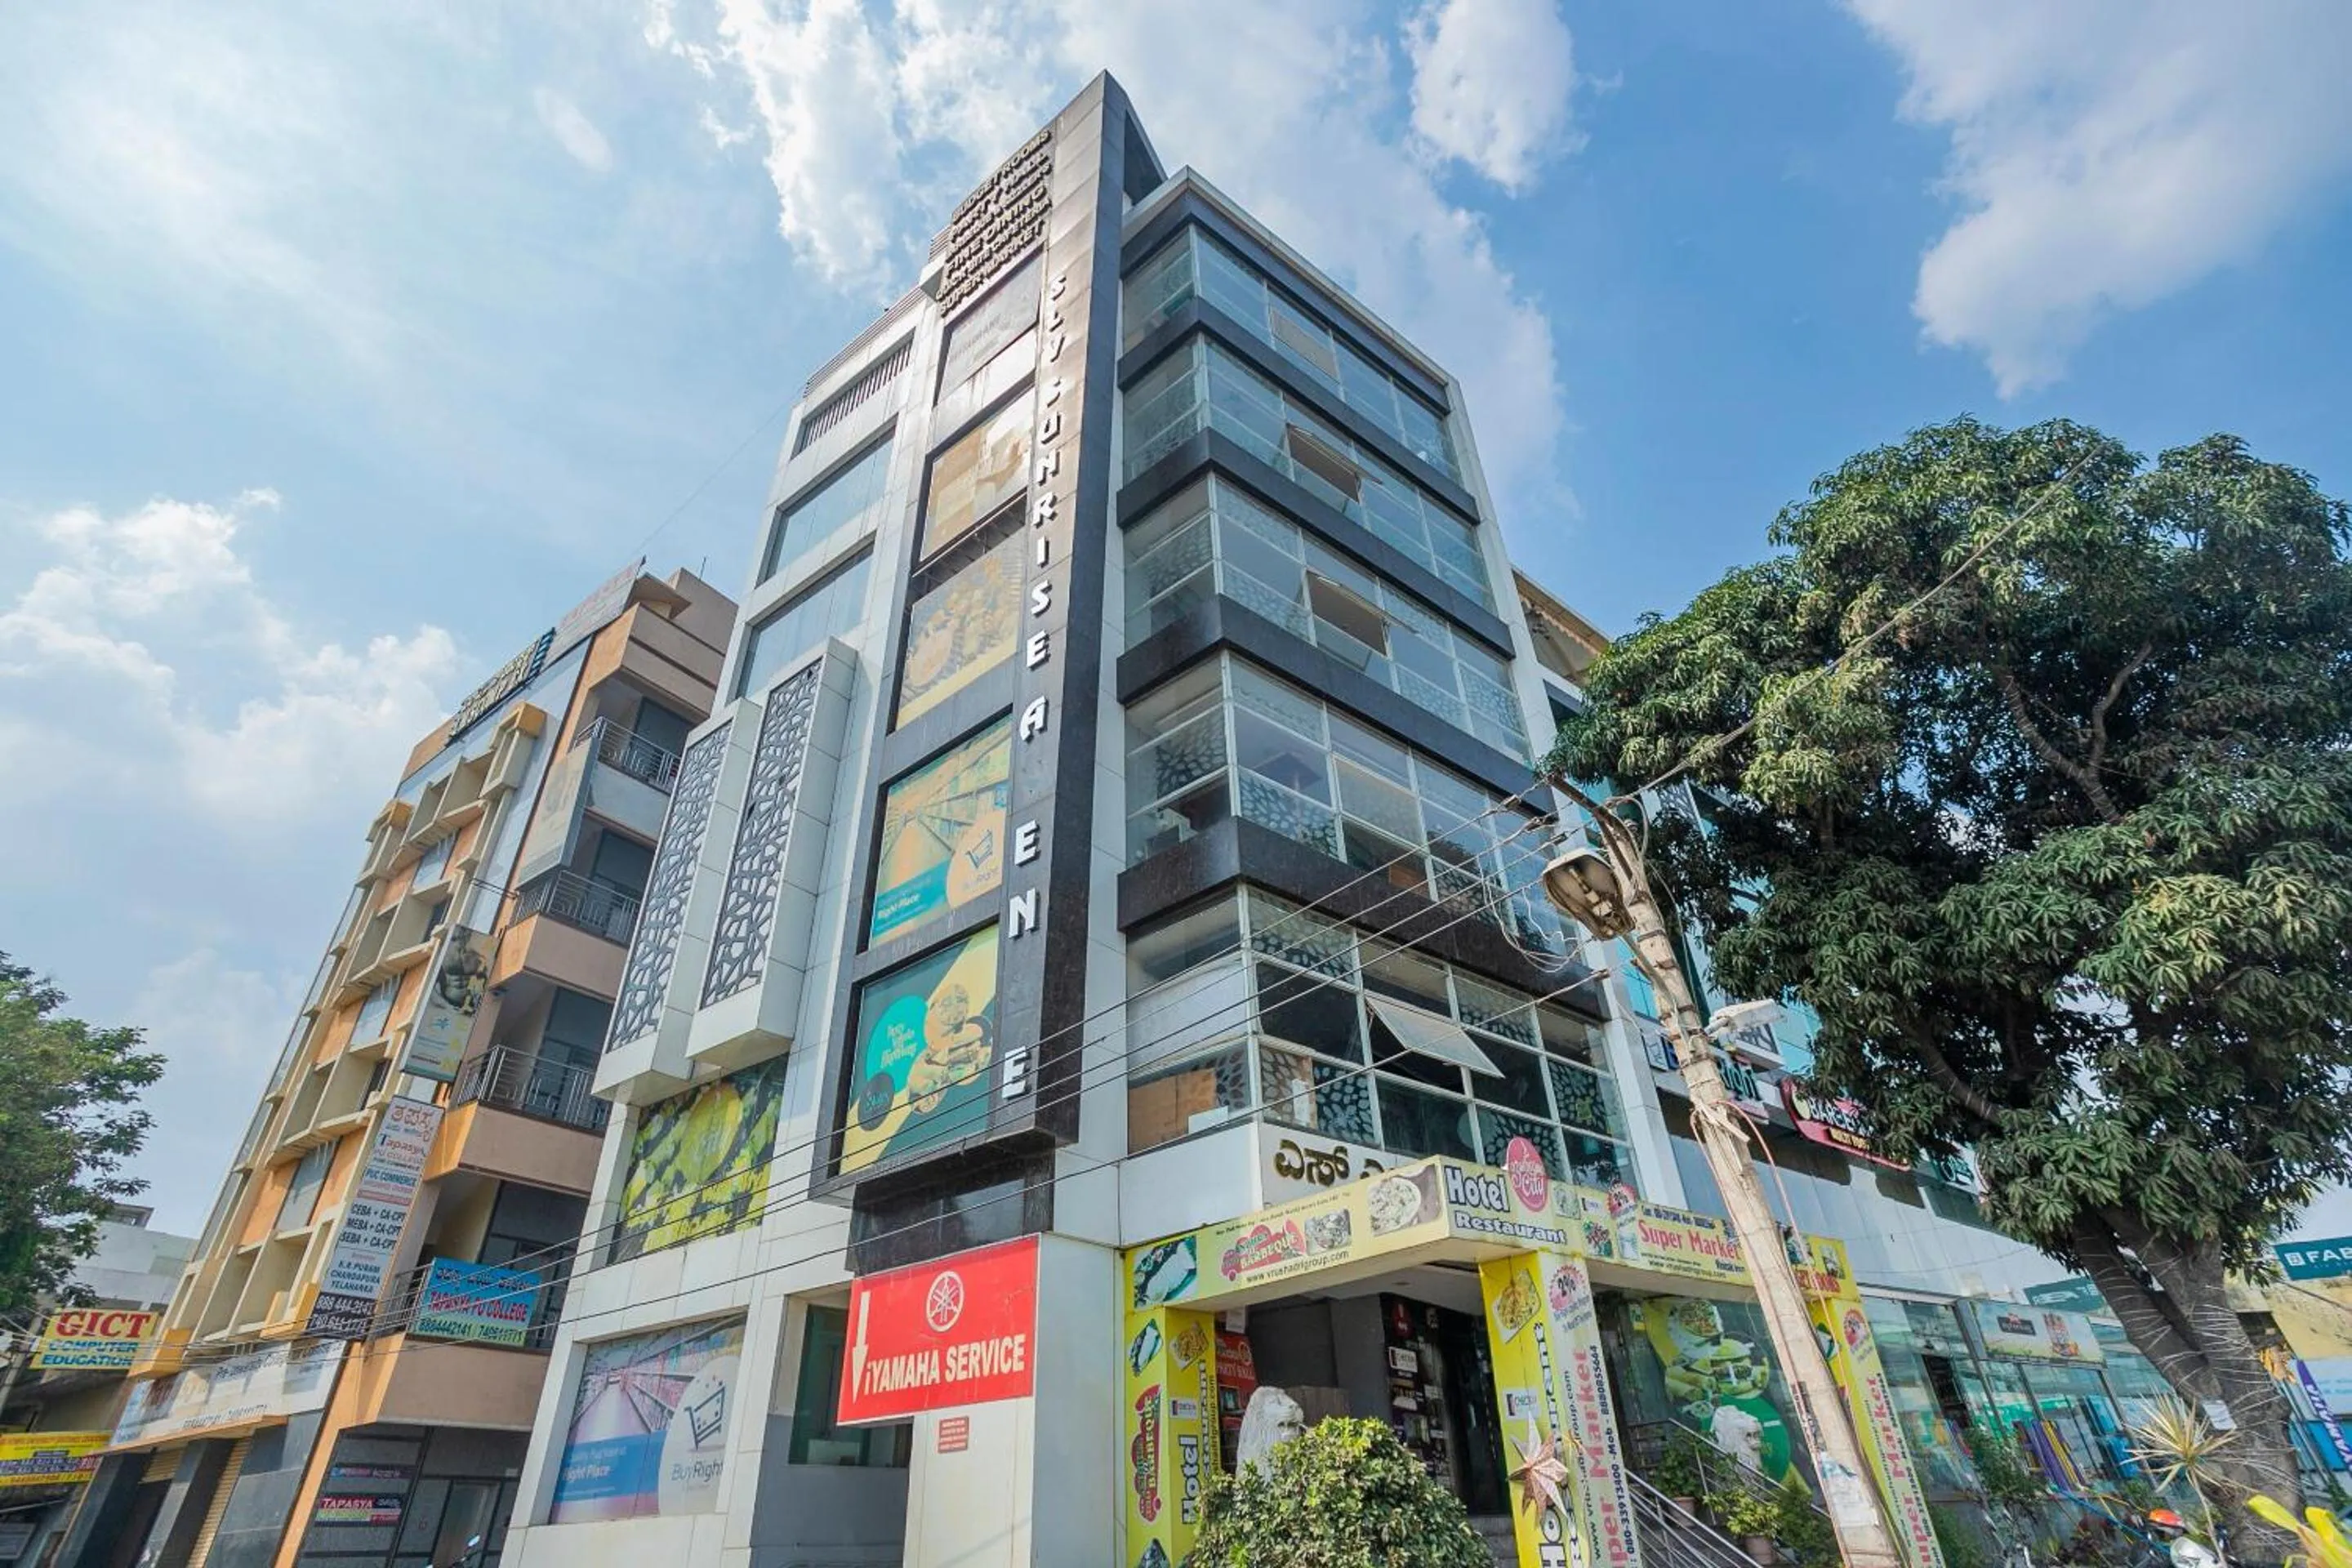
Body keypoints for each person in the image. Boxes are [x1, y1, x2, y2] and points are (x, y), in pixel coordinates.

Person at [2145, 1508, 2222, 1568]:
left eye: (2160, 1531)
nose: (2159, 1534)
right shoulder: (2171, 1546)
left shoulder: (2184, 1542)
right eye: (2158, 1532)